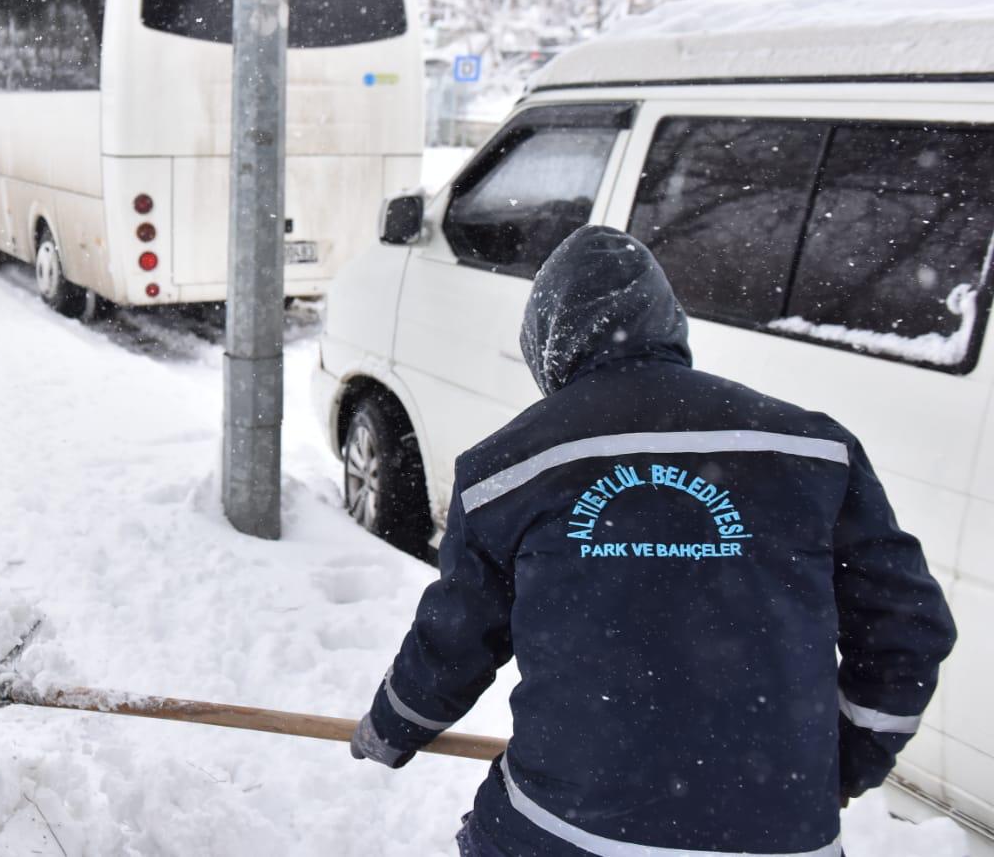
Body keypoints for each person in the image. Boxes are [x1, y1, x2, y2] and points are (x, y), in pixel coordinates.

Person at [349, 225, 956, 857]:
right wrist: (845, 762)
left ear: (546, 343)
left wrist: (392, 728)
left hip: (569, 831)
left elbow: (455, 640)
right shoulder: (812, 450)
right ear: (668, 323)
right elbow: (906, 628)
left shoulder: (507, 470)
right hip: (780, 836)